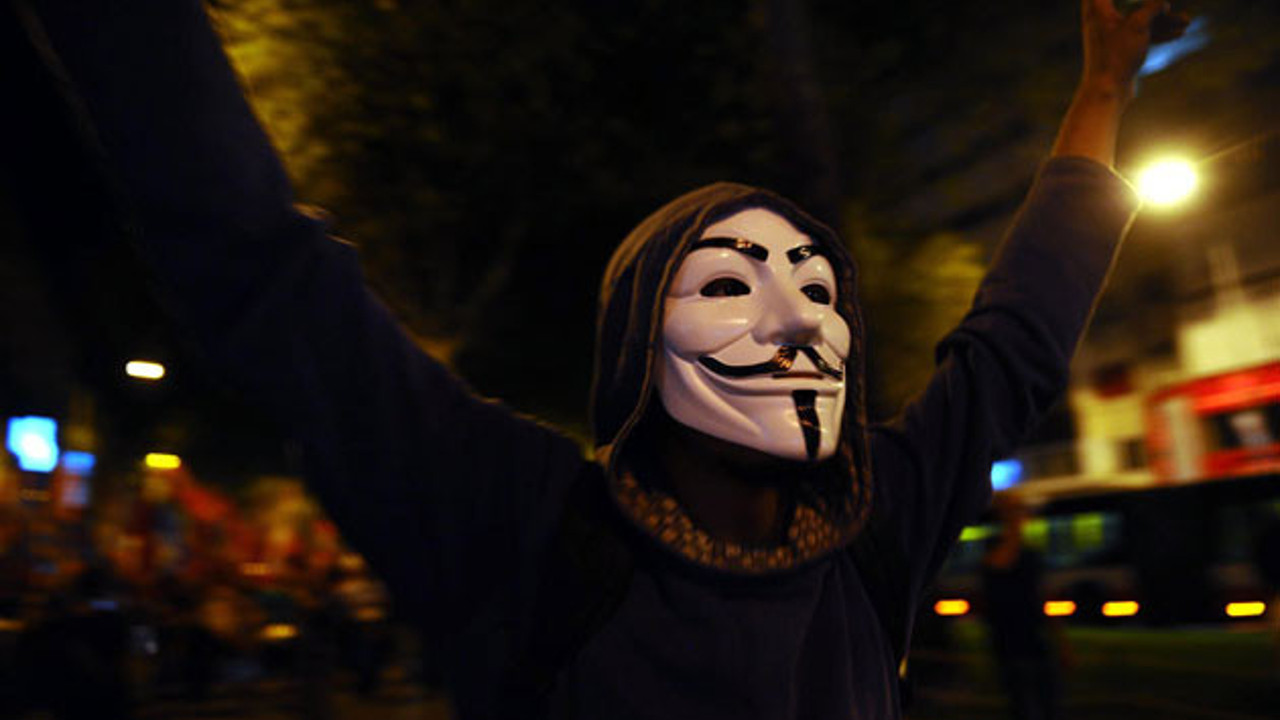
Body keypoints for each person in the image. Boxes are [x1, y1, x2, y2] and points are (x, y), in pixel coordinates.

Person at [25, 0, 1188, 717]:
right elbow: (269, 278)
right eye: (728, 285)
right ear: (638, 346)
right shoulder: (515, 523)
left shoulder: (878, 519)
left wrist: (1100, 88)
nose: (798, 322)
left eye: (818, 288)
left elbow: (1016, 336)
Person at [981, 494, 1066, 720]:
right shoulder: (994, 547)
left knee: (1048, 703)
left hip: (1036, 639)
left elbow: (1042, 597)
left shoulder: (1030, 554)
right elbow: (998, 566)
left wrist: (1060, 640)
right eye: (1014, 511)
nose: (1020, 516)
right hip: (1010, 642)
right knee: (1023, 704)